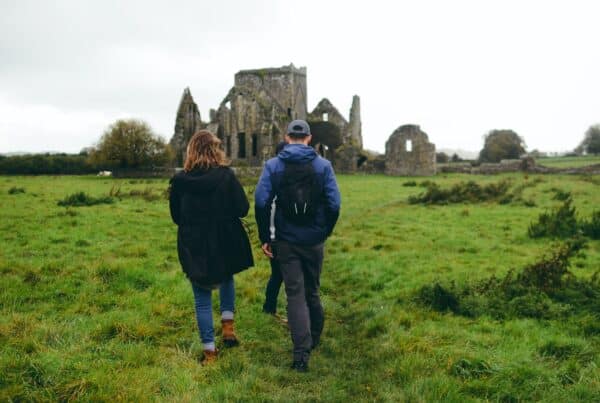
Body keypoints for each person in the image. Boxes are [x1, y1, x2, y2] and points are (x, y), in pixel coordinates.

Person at [255, 120, 341, 372]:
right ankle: (314, 338)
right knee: (312, 291)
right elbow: (334, 204)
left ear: (287, 136)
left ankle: (300, 356)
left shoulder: (273, 165)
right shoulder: (323, 166)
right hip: (314, 239)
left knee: (294, 295)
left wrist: (265, 236)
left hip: (286, 239)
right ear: (309, 138)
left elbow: (261, 203)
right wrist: (325, 231)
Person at [169, 130, 253, 364]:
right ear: (215, 149)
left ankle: (209, 352)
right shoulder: (226, 176)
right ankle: (228, 326)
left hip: (194, 241)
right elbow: (243, 208)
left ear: (191, 151)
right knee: (226, 275)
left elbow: (176, 215)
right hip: (224, 237)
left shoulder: (180, 180)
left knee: (202, 297)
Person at [262, 141, 287, 319]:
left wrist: (266, 237)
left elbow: (262, 206)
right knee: (286, 277)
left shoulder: (270, 174)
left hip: (276, 236)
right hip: (285, 236)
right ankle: (271, 308)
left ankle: (269, 308)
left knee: (277, 275)